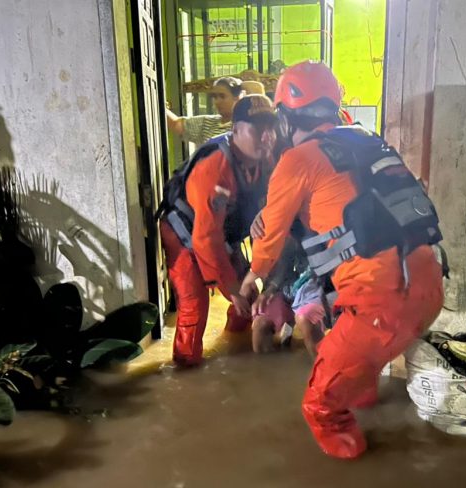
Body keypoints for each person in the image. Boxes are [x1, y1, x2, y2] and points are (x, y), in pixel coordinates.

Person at [239, 61, 444, 460]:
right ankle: (364, 399)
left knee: (318, 405)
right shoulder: (368, 140)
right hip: (429, 289)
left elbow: (269, 240)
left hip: (381, 306)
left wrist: (252, 277)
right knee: (358, 364)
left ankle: (357, 476)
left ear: (286, 117)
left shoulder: (297, 160)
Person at [159, 94, 278, 366]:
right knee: (194, 308)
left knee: (249, 299)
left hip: (221, 233)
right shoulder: (216, 168)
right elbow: (205, 239)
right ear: (235, 130)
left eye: (270, 128)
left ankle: (234, 348)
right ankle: (186, 369)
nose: (266, 136)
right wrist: (230, 287)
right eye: (257, 129)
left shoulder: (265, 161)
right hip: (183, 233)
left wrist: (243, 285)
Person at [249, 234, 328, 357]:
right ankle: (267, 372)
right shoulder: (273, 223)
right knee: (261, 326)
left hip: (316, 284)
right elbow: (283, 262)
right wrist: (270, 290)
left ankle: (322, 369)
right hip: (283, 286)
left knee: (305, 318)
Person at [166, 77, 244, 146]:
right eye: (215, 97)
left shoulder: (245, 125)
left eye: (222, 96)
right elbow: (175, 123)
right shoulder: (207, 122)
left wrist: (242, 86)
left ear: (237, 98)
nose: (217, 101)